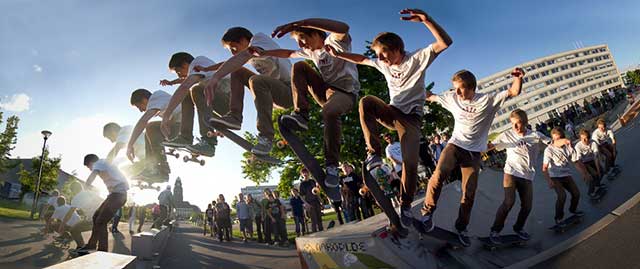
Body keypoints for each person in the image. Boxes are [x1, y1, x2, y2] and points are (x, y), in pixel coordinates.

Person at [328, 8, 452, 236]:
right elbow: (362, 59)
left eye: (384, 54)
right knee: (366, 101)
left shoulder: (417, 58)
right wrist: (339, 56)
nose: (381, 59)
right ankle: (373, 152)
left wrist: (427, 20)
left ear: (397, 49)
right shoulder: (382, 63)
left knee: (410, 164)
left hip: (411, 121)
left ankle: (405, 206)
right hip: (392, 112)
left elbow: (445, 42)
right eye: (379, 55)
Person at [419, 66, 525, 246]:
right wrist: (413, 82)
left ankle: (461, 227)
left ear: (471, 87)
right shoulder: (452, 98)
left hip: (474, 154)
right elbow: (430, 96)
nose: (457, 92)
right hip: (455, 146)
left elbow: (514, 91)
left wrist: (518, 78)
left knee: (469, 194)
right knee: (438, 175)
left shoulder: (488, 100)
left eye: (461, 88)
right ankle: (427, 213)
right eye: (455, 88)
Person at [254, 18, 360, 189]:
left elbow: (344, 27)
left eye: (303, 39)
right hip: (325, 92)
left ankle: (332, 166)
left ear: (316, 33)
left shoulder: (336, 42)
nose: (302, 45)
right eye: (299, 43)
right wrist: (265, 53)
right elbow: (288, 54)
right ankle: (301, 115)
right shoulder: (311, 52)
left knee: (329, 111)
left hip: (346, 95)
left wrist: (300, 23)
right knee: (300, 66)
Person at [197, 27, 293, 155]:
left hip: (289, 92)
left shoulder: (258, 39)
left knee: (256, 80)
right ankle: (235, 117)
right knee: (237, 70)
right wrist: (207, 69)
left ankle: (266, 138)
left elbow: (241, 56)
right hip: (273, 94)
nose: (232, 53)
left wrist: (216, 77)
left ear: (243, 40)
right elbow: (228, 63)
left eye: (233, 47)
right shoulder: (248, 56)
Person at [487, 109, 560, 243]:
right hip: (511, 172)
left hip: (527, 176)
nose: (515, 127)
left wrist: (564, 142)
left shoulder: (535, 135)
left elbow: (553, 144)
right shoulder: (507, 135)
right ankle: (495, 230)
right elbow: (490, 146)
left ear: (525, 122)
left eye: (518, 123)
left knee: (527, 206)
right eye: (512, 124)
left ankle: (518, 228)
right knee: (509, 201)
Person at [159, 52, 232, 156]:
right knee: (188, 94)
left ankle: (208, 141)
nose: (179, 75)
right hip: (219, 104)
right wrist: (171, 82)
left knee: (196, 89)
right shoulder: (200, 71)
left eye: (178, 71)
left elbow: (184, 85)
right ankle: (185, 137)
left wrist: (166, 115)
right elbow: (184, 80)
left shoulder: (198, 61)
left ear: (185, 64)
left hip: (228, 103)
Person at [77, 154, 129, 254]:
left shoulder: (99, 163)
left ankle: (102, 251)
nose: (89, 169)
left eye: (88, 167)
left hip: (118, 195)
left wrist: (86, 186)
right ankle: (92, 244)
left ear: (91, 162)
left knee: (101, 221)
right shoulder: (105, 163)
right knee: (96, 217)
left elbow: (92, 176)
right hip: (115, 195)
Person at [127, 88, 182, 181]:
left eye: (139, 106)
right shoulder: (163, 104)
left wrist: (130, 145)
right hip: (177, 127)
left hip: (182, 128)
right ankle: (152, 168)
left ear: (144, 100)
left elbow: (143, 121)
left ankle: (160, 168)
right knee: (148, 133)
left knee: (150, 127)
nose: (141, 110)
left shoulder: (156, 96)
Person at [543, 127, 585, 225]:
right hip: (554, 176)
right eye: (555, 139)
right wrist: (549, 180)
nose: (558, 141)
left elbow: (575, 162)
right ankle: (558, 218)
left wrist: (584, 173)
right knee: (562, 196)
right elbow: (544, 168)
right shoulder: (549, 150)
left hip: (566, 174)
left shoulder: (568, 147)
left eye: (560, 138)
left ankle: (573, 209)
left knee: (576, 194)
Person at [573, 129, 605, 197]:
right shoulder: (578, 146)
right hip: (584, 163)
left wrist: (598, 169)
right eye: (582, 139)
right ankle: (591, 192)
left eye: (586, 138)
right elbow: (579, 161)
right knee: (593, 176)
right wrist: (585, 173)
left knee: (601, 172)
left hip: (592, 160)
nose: (584, 141)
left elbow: (596, 157)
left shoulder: (593, 143)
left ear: (589, 138)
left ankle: (597, 185)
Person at [298, 168, 323, 232]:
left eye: (306, 172)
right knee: (313, 220)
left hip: (316, 201)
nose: (305, 174)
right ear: (302, 174)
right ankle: (315, 234)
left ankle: (322, 232)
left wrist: (320, 200)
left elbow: (316, 191)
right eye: (303, 173)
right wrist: (306, 204)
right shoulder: (302, 184)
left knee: (319, 218)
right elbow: (301, 196)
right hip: (309, 203)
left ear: (309, 173)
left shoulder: (313, 181)